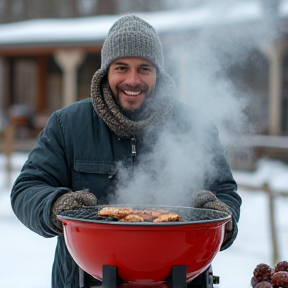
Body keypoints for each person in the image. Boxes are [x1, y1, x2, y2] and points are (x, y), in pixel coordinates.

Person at [11, 15, 242, 288]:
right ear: (105, 71)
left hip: (182, 276)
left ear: (158, 73)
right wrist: (55, 206)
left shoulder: (195, 127)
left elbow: (225, 193)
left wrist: (221, 217)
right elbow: (26, 189)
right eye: (121, 67)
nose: (133, 80)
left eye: (144, 68)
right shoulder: (67, 124)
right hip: (85, 277)